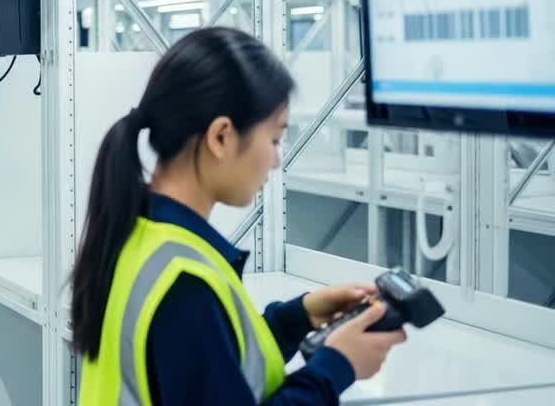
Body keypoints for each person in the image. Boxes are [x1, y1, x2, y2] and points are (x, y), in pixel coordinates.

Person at [72, 27, 406, 406]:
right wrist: (337, 367)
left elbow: (208, 369)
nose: (276, 160)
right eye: (275, 139)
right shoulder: (185, 281)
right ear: (221, 137)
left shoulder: (140, 236)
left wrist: (295, 319)